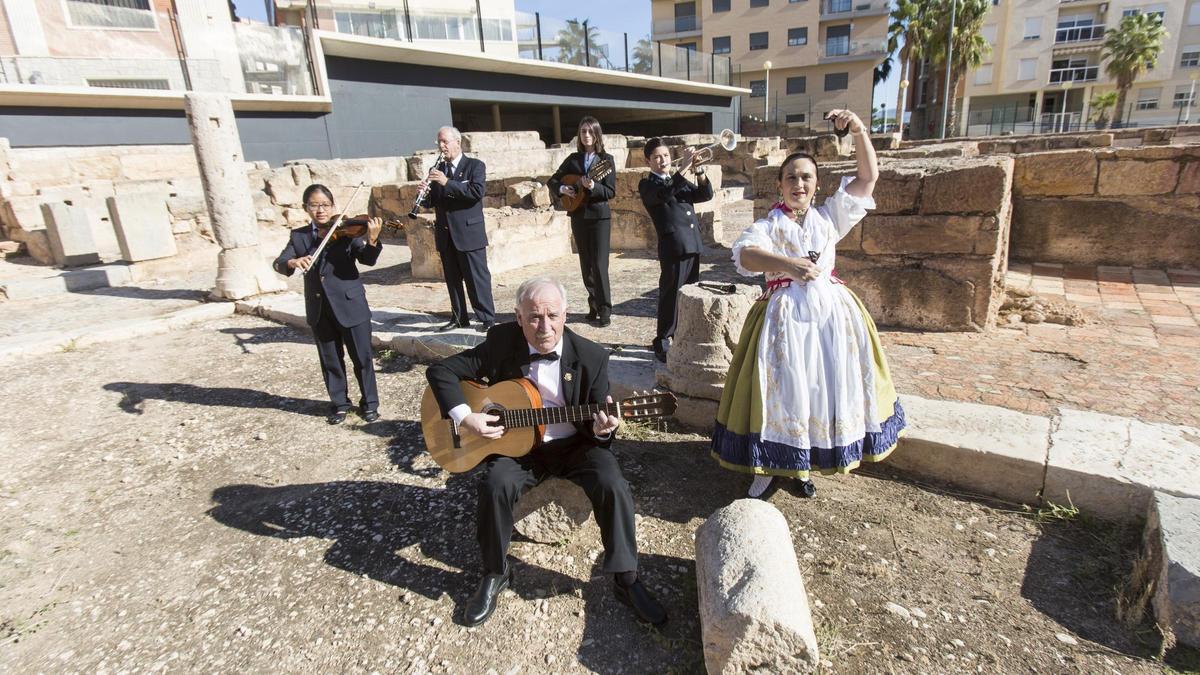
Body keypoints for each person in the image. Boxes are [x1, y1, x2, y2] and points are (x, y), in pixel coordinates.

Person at [425, 277, 667, 628]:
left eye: (553, 315)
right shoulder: (501, 341)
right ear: (518, 317)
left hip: (575, 445)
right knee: (494, 486)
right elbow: (441, 370)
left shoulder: (592, 357)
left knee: (613, 483)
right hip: (518, 449)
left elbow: (599, 425)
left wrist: (602, 431)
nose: (545, 327)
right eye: (534, 317)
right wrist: (466, 418)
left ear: (566, 315)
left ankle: (626, 578)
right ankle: (496, 572)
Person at [710, 109, 906, 499]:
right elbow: (746, 256)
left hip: (831, 318)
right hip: (784, 322)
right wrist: (788, 265)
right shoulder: (768, 225)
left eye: (806, 177)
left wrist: (857, 129)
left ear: (816, 185)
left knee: (818, 390)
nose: (798, 184)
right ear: (780, 185)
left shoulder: (829, 217)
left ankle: (802, 466)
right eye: (791, 178)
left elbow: (868, 178)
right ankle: (767, 469)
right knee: (782, 393)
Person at [274, 184, 384, 425]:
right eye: (314, 205)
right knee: (330, 360)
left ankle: (370, 404)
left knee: (362, 358)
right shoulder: (299, 236)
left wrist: (373, 239)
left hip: (350, 305)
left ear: (333, 206)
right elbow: (280, 262)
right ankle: (340, 404)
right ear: (306, 208)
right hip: (319, 308)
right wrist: (293, 262)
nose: (320, 210)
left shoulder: (346, 232)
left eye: (325, 205)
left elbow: (367, 259)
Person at [638, 137, 713, 362]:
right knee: (670, 295)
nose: (663, 160)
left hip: (691, 244)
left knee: (689, 293)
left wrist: (698, 170)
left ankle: (682, 335)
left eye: (666, 156)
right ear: (648, 161)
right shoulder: (648, 184)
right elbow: (664, 195)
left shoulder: (674, 180)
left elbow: (704, 194)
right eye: (658, 157)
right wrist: (684, 167)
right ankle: (662, 340)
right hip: (673, 246)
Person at [418, 125, 496, 332]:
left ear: (457, 142)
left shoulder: (475, 166)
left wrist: (447, 182)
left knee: (477, 277)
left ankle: (487, 318)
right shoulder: (437, 170)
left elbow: (475, 192)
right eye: (439, 142)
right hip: (445, 233)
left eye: (445, 141)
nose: (441, 146)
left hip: (469, 233)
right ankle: (459, 317)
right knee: (452, 279)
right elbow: (434, 201)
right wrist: (424, 195)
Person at [548, 116, 617, 326]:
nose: (586, 135)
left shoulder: (606, 160)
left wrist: (592, 187)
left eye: (590, 131)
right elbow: (553, 180)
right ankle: (593, 304)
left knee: (599, 264)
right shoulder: (572, 159)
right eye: (583, 131)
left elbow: (610, 191)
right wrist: (563, 189)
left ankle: (605, 309)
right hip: (578, 215)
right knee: (585, 264)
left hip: (599, 217)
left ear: (597, 134)